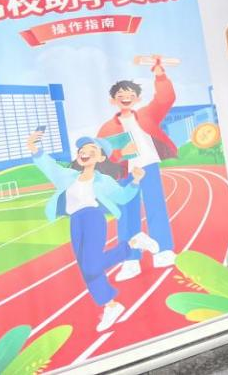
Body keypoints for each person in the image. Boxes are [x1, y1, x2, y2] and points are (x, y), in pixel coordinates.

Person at [26, 131, 158, 332]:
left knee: (92, 265)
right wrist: (33, 145)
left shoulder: (104, 181)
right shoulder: (67, 176)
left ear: (101, 158)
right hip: (75, 222)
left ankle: (134, 244)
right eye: (82, 149)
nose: (85, 152)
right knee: (86, 269)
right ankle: (111, 306)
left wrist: (135, 181)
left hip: (93, 219)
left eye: (92, 149)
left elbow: (123, 197)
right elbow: (48, 165)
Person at [97, 58, 178, 281]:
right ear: (113, 100)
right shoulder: (107, 128)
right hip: (125, 173)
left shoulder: (147, 114)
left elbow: (165, 99)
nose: (126, 98)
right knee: (126, 215)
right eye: (120, 95)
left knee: (156, 208)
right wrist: (120, 154)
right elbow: (101, 156)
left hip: (148, 166)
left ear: (137, 98)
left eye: (130, 95)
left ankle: (163, 251)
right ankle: (131, 260)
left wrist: (160, 75)